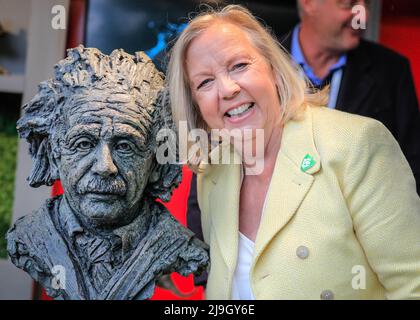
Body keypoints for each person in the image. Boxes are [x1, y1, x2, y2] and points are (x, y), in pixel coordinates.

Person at [167, 5, 420, 299]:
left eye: (239, 66)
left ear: (273, 68)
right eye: (205, 82)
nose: (227, 89)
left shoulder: (357, 143)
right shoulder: (212, 172)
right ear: (196, 105)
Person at [7, 45, 209, 300]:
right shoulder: (29, 237)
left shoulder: (178, 246)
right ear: (54, 151)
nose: (105, 166)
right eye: (83, 143)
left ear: (156, 161)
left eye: (125, 145)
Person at [282, 0, 420, 193]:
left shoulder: (391, 71)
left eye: (367, 4)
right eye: (349, 4)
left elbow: (412, 165)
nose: (363, 16)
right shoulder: (261, 63)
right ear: (308, 3)